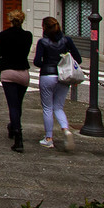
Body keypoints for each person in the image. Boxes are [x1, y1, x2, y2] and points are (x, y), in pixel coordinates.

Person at [33, 16, 82, 151]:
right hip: (63, 77)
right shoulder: (67, 40)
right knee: (59, 107)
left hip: (47, 75)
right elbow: (78, 59)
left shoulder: (42, 42)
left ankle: (49, 138)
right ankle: (66, 129)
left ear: (44, 28)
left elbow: (37, 61)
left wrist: (47, 64)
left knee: (47, 108)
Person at [0, 9, 32, 153]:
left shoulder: (4, 35)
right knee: (18, 104)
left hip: (8, 72)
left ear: (10, 20)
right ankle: (13, 126)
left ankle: (18, 136)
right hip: (23, 72)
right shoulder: (28, 35)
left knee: (12, 105)